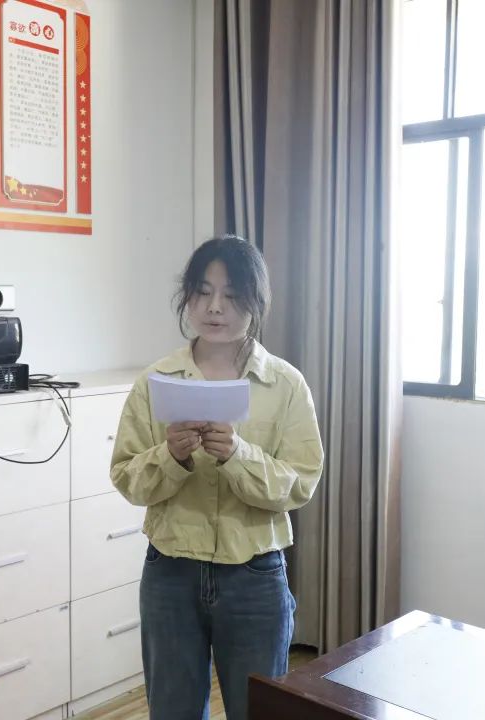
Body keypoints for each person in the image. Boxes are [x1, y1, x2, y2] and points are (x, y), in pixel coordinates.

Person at [110, 234, 325, 720]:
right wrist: (171, 457)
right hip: (170, 572)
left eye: (231, 295)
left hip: (254, 574)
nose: (214, 307)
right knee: (172, 711)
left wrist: (239, 455)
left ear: (256, 301)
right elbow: (127, 477)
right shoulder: (156, 381)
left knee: (257, 711)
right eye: (203, 292)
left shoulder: (285, 384)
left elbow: (301, 483)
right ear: (187, 297)